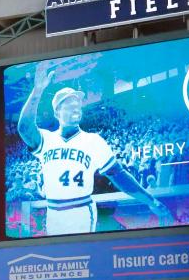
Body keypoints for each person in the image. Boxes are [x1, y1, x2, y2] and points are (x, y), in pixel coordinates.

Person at [16, 69, 173, 235]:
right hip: (53, 211)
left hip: (81, 210)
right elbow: (24, 128)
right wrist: (37, 91)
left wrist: (150, 201)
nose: (76, 106)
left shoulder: (93, 141)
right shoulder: (46, 139)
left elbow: (119, 175)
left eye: (77, 103)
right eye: (69, 104)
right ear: (57, 112)